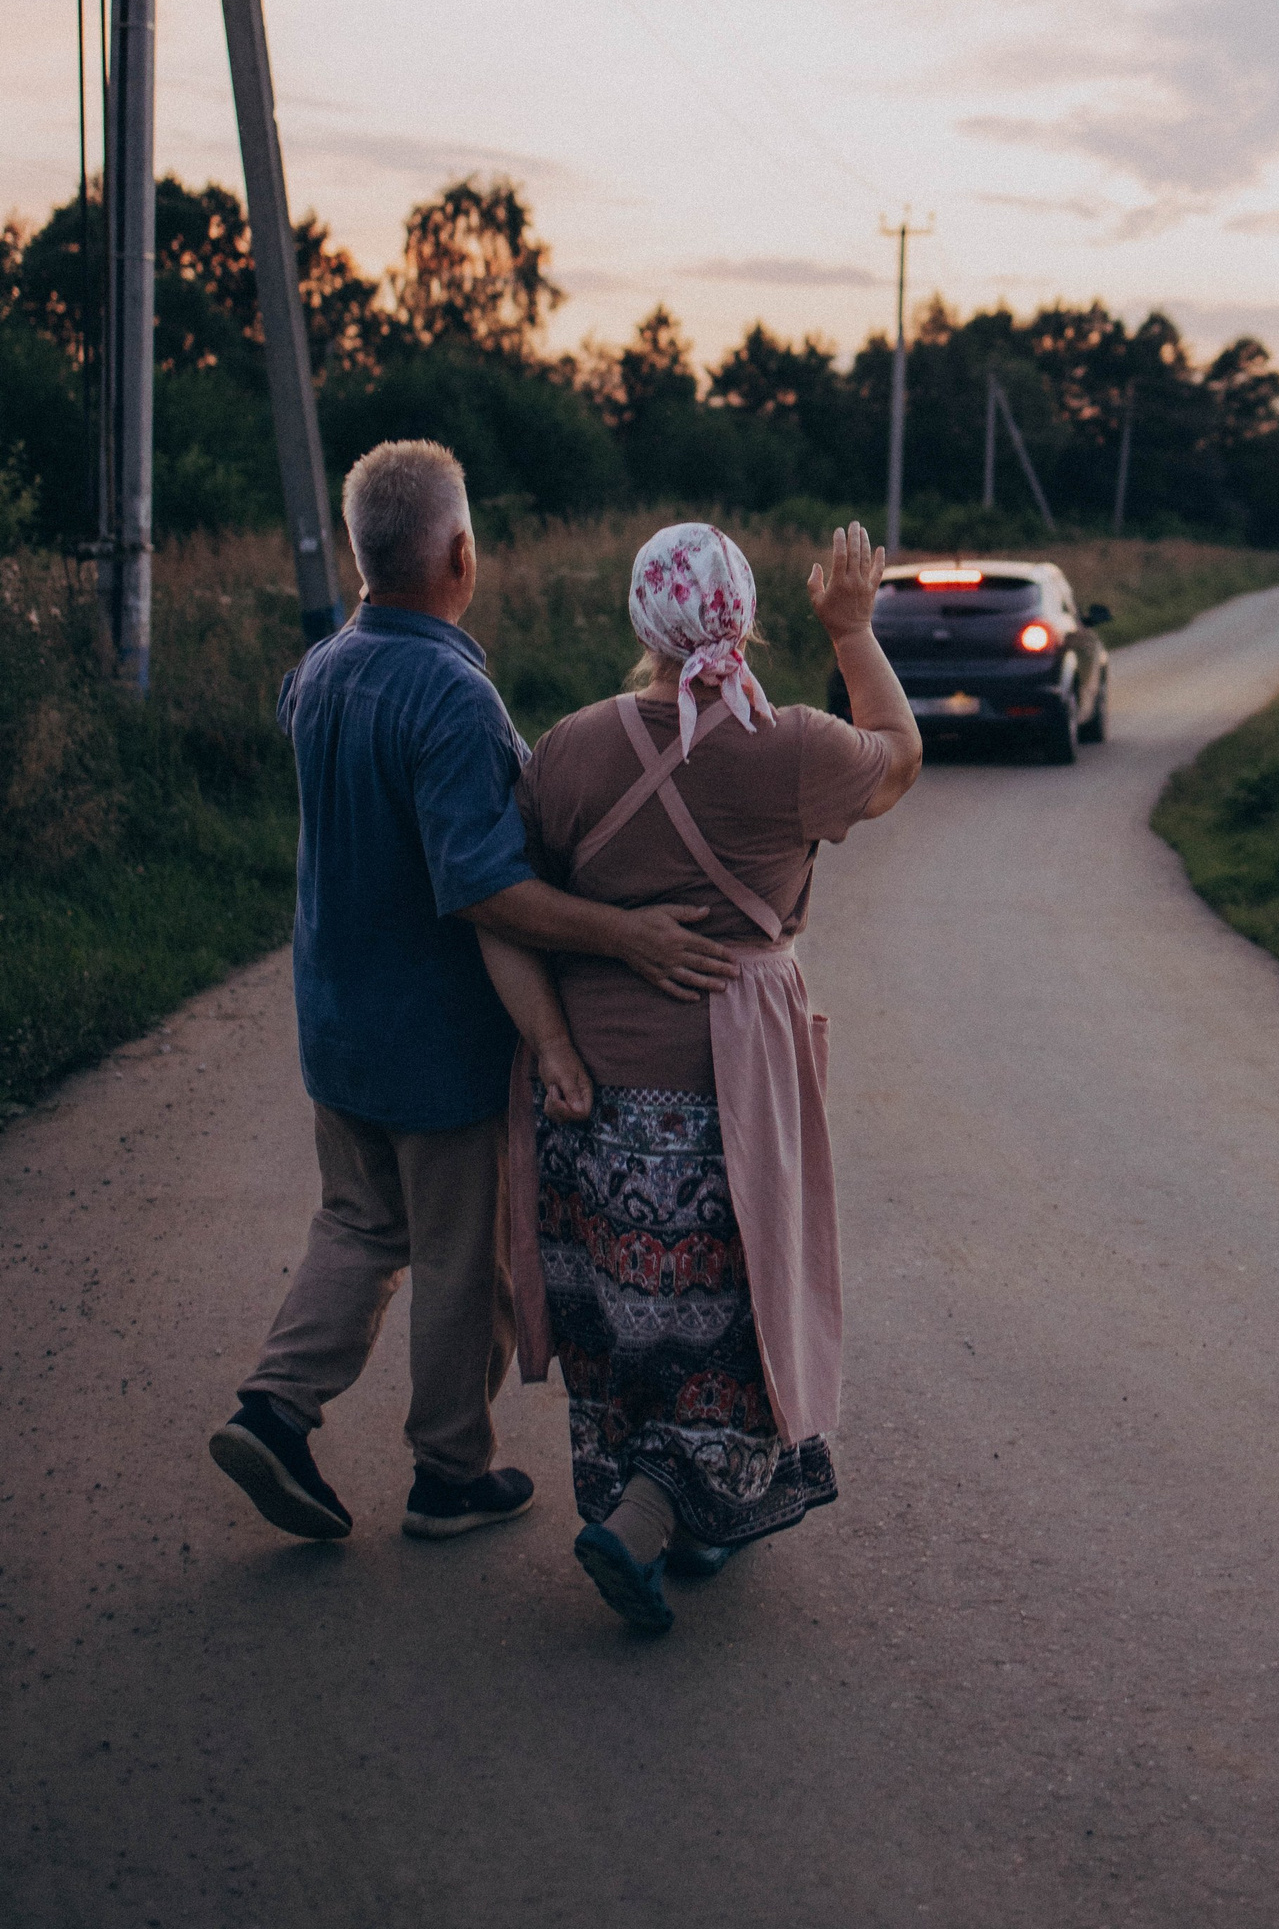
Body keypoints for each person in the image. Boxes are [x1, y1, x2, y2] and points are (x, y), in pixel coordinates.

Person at [210, 441, 761, 1545]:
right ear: (461, 552)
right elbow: (486, 889)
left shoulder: (321, 670)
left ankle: (274, 1408)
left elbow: (320, 749)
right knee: (463, 1259)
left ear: (364, 558)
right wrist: (627, 935)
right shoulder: (454, 698)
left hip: (335, 1022)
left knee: (360, 1222)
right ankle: (450, 1473)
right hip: (435, 1041)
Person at [474, 516, 919, 1636]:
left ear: (642, 619)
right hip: (733, 1087)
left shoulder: (570, 749)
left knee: (626, 1319)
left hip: (589, 1089)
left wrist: (554, 1047)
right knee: (736, 1320)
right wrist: (852, 630)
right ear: (747, 616)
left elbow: (500, 909)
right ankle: (652, 1517)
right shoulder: (796, 748)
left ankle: (652, 1504)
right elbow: (900, 755)